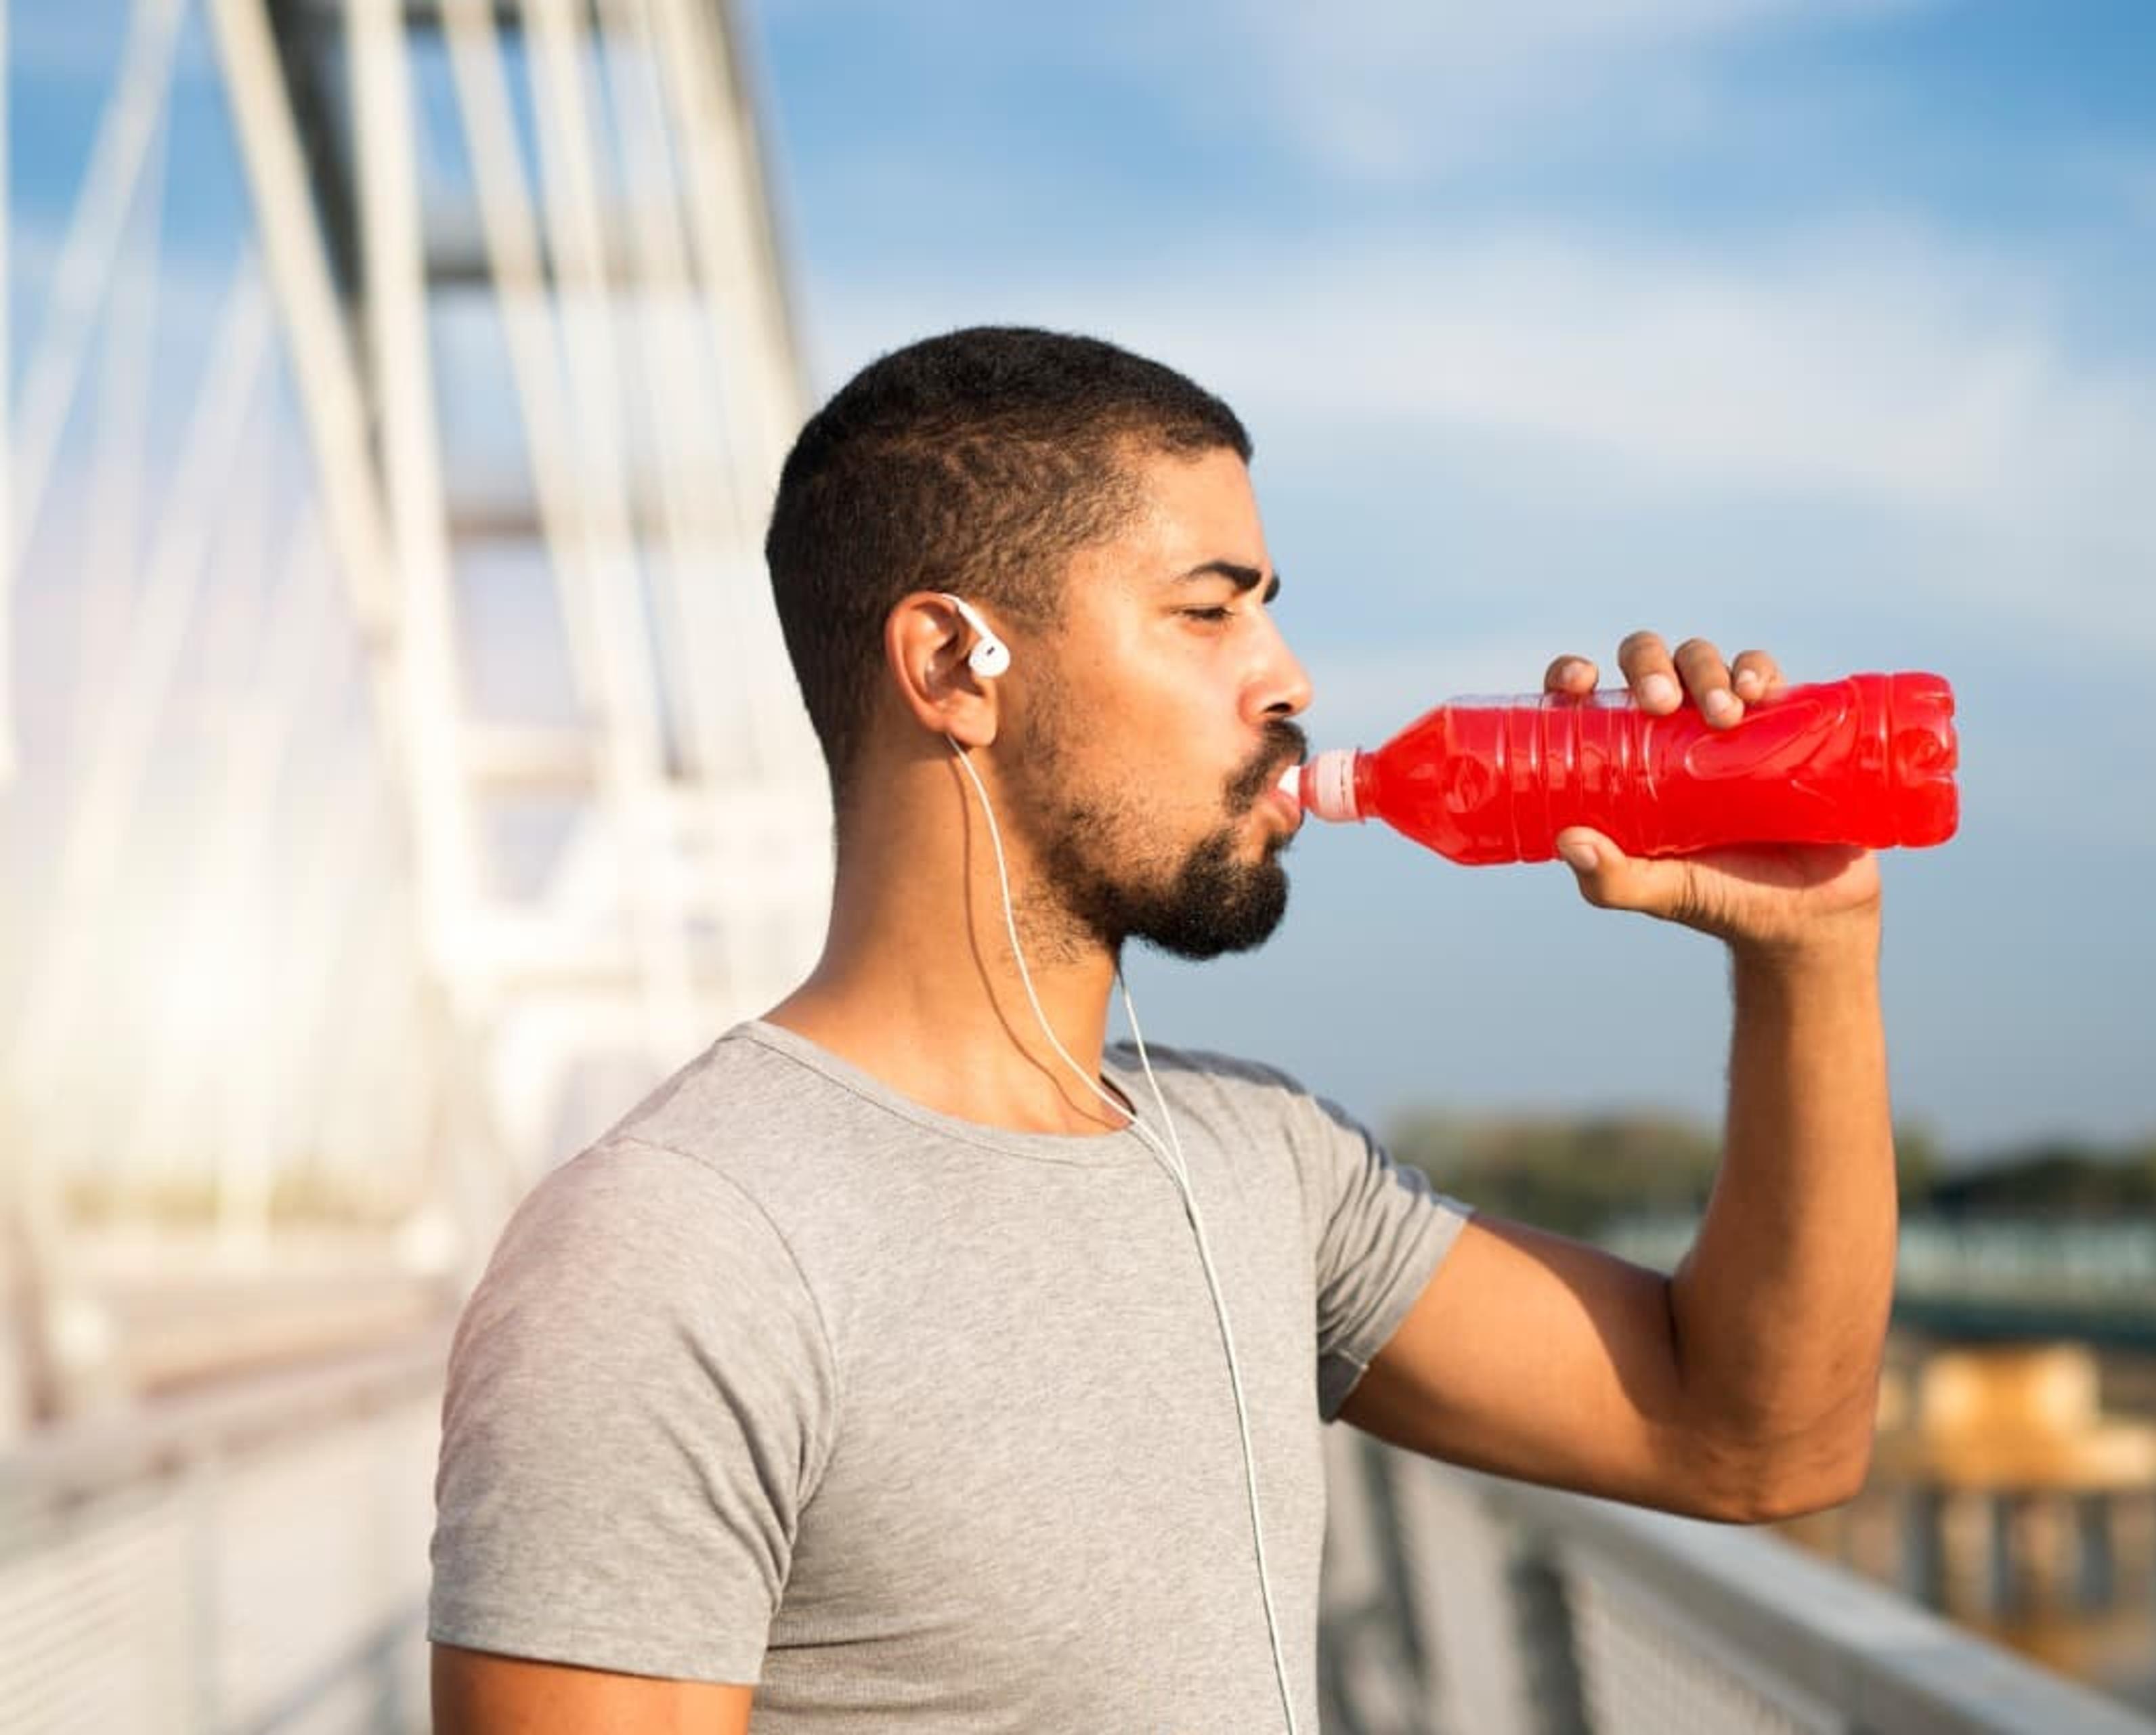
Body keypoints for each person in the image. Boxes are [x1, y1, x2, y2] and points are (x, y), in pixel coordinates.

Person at [427, 327, 1896, 1734]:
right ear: (952, 666)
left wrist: (1812, 951)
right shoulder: (676, 1249)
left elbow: (1758, 1440)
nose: (1290, 678)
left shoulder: (1264, 1165)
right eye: (1209, 610)